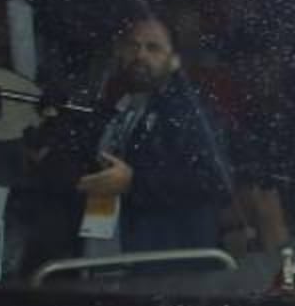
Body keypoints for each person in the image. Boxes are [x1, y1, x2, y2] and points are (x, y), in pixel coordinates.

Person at [77, 17, 235, 255]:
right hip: (109, 251)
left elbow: (214, 178)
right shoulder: (116, 107)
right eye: (133, 46)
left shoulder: (190, 110)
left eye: (153, 48)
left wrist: (134, 182)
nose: (140, 55)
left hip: (165, 267)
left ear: (174, 61)